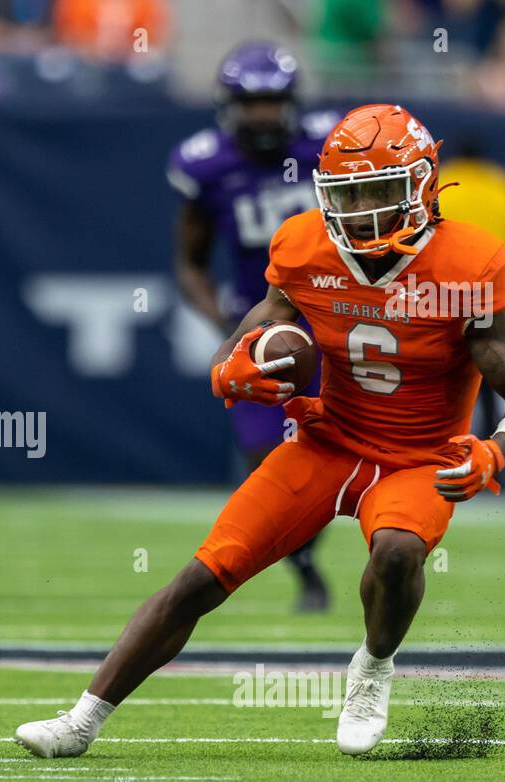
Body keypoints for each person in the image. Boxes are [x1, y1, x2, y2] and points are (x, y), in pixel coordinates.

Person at [16, 104, 505, 758]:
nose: (360, 211)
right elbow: (236, 348)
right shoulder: (304, 247)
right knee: (201, 577)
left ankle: (373, 668)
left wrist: (498, 448)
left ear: (422, 185)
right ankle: (81, 721)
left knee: (398, 554)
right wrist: (234, 372)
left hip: (418, 456)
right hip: (327, 443)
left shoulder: (468, 264)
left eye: (379, 191)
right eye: (348, 195)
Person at [167, 41, 339, 611]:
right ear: (229, 105)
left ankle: (327, 551)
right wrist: (219, 313)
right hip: (264, 323)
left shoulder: (327, 149)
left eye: (273, 102)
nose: (263, 114)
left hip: (335, 314)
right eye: (252, 103)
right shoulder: (208, 165)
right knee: (265, 457)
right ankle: (307, 562)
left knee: (339, 447)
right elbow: (190, 259)